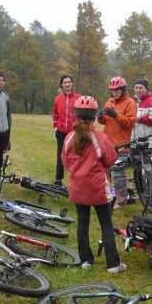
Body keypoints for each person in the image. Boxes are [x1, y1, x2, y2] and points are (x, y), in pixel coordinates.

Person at [62, 96, 126, 273]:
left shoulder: (69, 138)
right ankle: (113, 264)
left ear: (76, 116)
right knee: (106, 223)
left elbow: (65, 161)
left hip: (78, 188)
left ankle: (86, 261)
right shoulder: (100, 137)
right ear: (94, 117)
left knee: (82, 223)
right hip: (98, 188)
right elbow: (111, 159)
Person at [97, 76, 137, 208]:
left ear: (123, 89)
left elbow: (130, 123)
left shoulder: (130, 103)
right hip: (108, 142)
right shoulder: (109, 102)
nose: (115, 92)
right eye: (113, 90)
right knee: (105, 171)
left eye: (117, 90)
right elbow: (104, 122)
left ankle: (121, 200)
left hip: (122, 144)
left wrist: (116, 115)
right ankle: (108, 195)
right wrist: (100, 117)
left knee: (118, 172)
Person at [52, 75, 80, 187]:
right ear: (61, 85)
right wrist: (55, 125)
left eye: (69, 82)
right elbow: (55, 114)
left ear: (72, 84)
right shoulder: (57, 99)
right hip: (61, 132)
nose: (67, 84)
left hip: (74, 133)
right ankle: (58, 179)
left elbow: (81, 114)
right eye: (65, 82)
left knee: (75, 156)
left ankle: (75, 180)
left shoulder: (78, 98)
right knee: (60, 155)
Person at [132, 78, 152, 166]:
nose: (138, 90)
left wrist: (141, 119)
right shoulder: (135, 103)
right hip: (138, 141)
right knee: (139, 168)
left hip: (151, 141)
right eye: (136, 88)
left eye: (141, 88)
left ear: (146, 89)